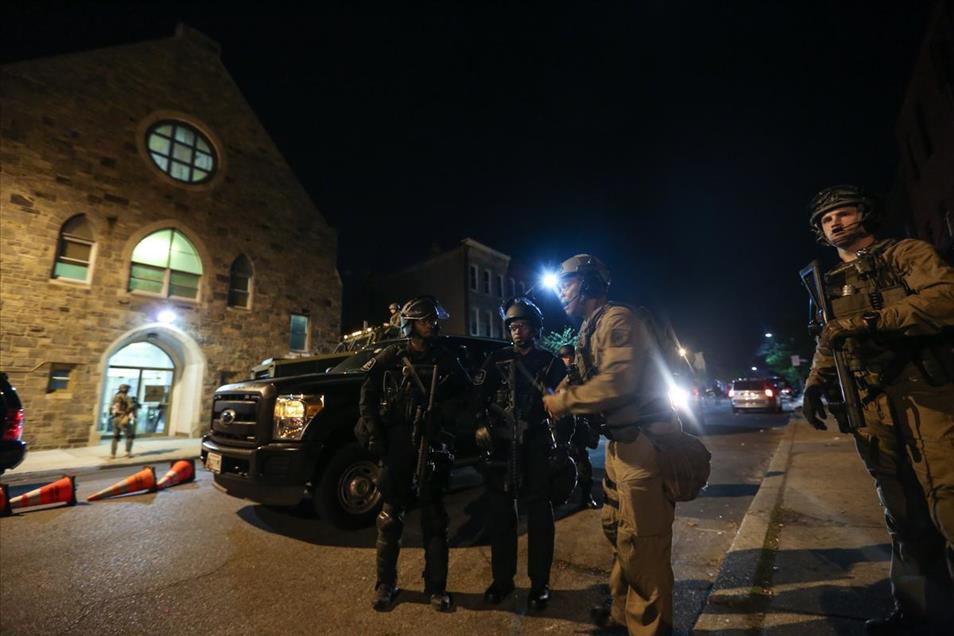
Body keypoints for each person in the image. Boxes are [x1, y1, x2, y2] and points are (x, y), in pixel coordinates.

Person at [802, 185, 954, 634]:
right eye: (827, 219)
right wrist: (814, 384)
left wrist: (873, 321)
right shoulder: (828, 282)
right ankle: (916, 613)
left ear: (865, 214)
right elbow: (829, 337)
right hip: (871, 405)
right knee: (902, 515)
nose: (836, 223)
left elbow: (946, 296)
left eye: (844, 213)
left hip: (926, 394)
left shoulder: (905, 254)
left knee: (949, 501)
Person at [542, 254, 677, 636]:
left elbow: (618, 382)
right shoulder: (590, 328)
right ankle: (621, 616)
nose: (562, 293)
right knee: (619, 531)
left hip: (645, 442)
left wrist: (563, 402)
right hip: (621, 445)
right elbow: (579, 374)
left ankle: (651, 629)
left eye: (567, 284)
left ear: (588, 283)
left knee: (643, 545)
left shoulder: (618, 320)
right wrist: (558, 392)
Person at [357, 295, 471, 613]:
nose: (433, 325)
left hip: (432, 444)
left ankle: (436, 587)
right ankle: (385, 584)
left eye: (434, 320)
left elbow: (467, 397)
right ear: (411, 325)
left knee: (434, 520)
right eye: (425, 320)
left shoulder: (446, 359)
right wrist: (376, 435)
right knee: (390, 518)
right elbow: (367, 396)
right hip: (397, 445)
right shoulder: (391, 357)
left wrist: (443, 416)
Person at [473, 297, 567, 610]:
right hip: (502, 446)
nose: (516, 331)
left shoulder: (550, 363)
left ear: (535, 328)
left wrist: (561, 442)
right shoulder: (496, 359)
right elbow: (478, 398)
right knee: (501, 515)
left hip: (536, 444)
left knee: (539, 516)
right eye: (513, 326)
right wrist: (481, 426)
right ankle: (502, 580)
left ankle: (540, 584)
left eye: (523, 325)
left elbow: (565, 405)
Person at [558, 343, 599, 510]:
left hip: (580, 422)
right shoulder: (558, 373)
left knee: (581, 459)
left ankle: (586, 495)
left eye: (568, 356)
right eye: (563, 357)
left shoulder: (582, 372)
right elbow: (554, 393)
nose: (566, 360)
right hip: (564, 422)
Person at [109, 384, 134, 458]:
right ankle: (127, 452)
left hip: (115, 419)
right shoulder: (127, 397)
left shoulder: (115, 397)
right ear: (126, 390)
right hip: (123, 419)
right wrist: (127, 412)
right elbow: (131, 407)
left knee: (115, 437)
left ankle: (113, 454)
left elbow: (111, 409)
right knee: (130, 436)